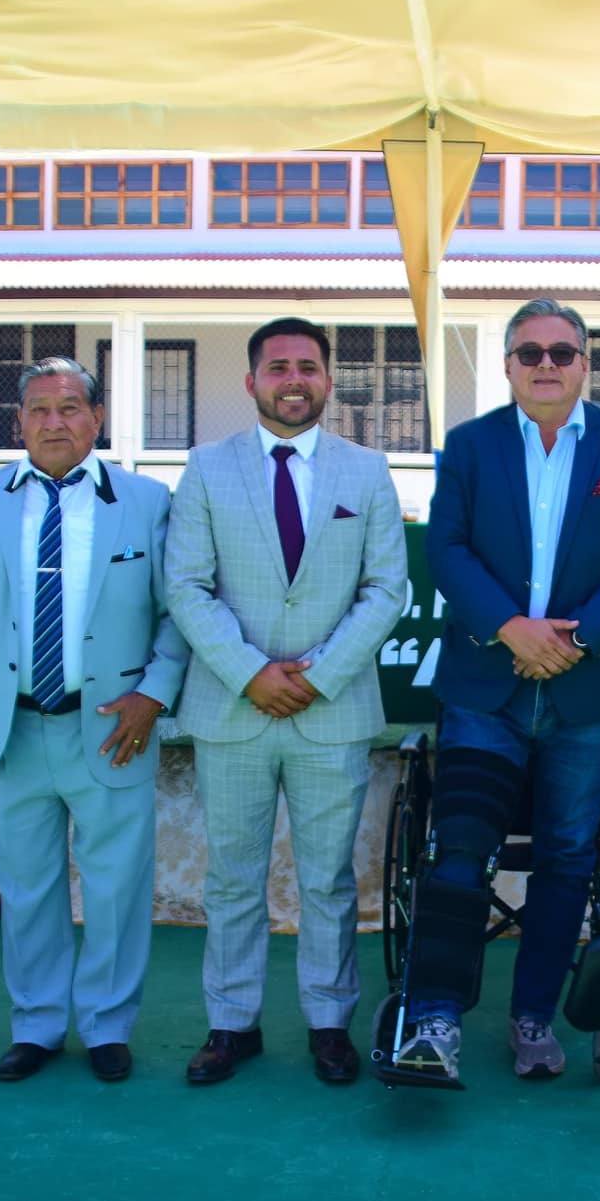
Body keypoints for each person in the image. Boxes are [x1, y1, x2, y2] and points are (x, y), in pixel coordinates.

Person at [392, 299, 600, 1084]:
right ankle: (434, 1021)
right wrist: (511, 628)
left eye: (562, 352)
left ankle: (533, 1017)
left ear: (584, 362)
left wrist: (574, 640)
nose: (546, 364)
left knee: (569, 856)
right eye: (529, 352)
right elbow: (448, 549)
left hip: (589, 687)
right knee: (459, 850)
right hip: (488, 686)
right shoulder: (470, 444)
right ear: (509, 364)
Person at [165, 317, 407, 1086]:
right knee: (233, 878)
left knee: (327, 879)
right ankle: (231, 1024)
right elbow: (186, 586)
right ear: (252, 381)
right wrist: (250, 674)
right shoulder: (206, 468)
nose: (293, 379)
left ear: (328, 380)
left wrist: (317, 677)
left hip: (330, 711)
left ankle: (329, 1023)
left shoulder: (367, 471)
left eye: (307, 366)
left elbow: (386, 589)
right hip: (232, 709)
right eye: (278, 367)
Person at [0, 357, 188, 1084]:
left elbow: (177, 614)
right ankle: (37, 1025)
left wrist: (153, 694)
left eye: (70, 408)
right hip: (10, 732)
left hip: (110, 730)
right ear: (18, 421)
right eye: (39, 410)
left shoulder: (145, 500)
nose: (54, 422)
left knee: (116, 889)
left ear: (96, 419)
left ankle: (108, 1025)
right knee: (26, 888)